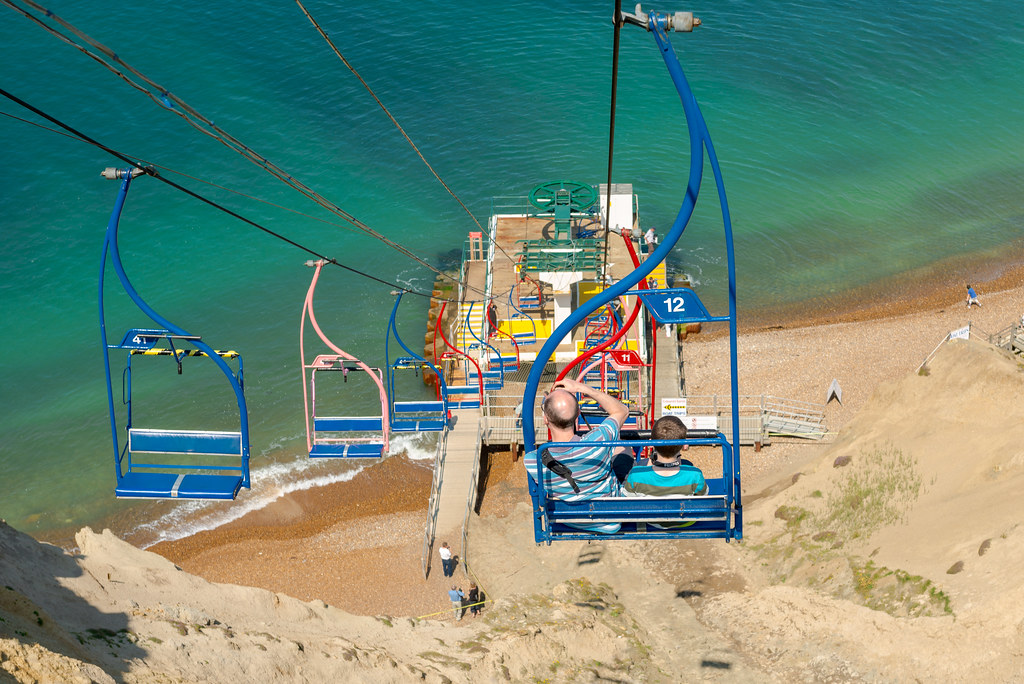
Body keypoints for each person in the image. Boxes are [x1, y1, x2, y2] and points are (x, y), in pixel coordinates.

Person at [523, 377, 632, 533]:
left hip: (568, 519)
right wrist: (582, 388)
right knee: (622, 449)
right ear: (578, 414)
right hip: (610, 520)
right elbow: (622, 410)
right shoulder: (598, 441)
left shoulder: (533, 460)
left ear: (545, 419)